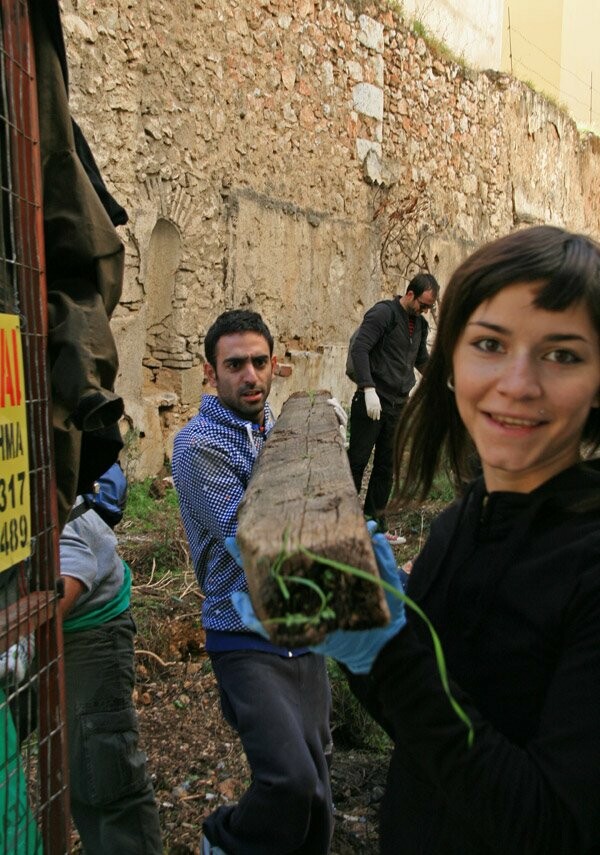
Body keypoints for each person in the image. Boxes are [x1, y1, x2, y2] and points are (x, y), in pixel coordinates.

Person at [306, 224, 600, 853]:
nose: (517, 383)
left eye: (563, 354)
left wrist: (390, 651)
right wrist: (362, 628)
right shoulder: (458, 525)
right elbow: (423, 729)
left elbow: (554, 826)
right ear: (455, 363)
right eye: (490, 344)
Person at [172, 310, 333, 855]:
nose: (251, 376)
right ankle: (223, 841)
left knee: (318, 796)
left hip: (300, 629)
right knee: (288, 779)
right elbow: (256, 543)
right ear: (209, 373)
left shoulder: (271, 427)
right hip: (244, 637)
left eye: (260, 362)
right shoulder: (199, 446)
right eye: (235, 364)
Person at [59, 464, 163, 855]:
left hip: (88, 626)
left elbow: (73, 570)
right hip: (56, 626)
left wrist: (23, 636)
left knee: (104, 768)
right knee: (78, 768)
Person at [347, 272, 439, 541]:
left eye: (429, 308)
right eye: (422, 304)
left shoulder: (419, 326)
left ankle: (374, 523)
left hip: (399, 404)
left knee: (387, 466)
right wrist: (367, 388)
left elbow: (420, 359)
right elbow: (360, 348)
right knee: (357, 460)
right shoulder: (383, 314)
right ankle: (346, 523)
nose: (424, 311)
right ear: (410, 294)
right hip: (373, 400)